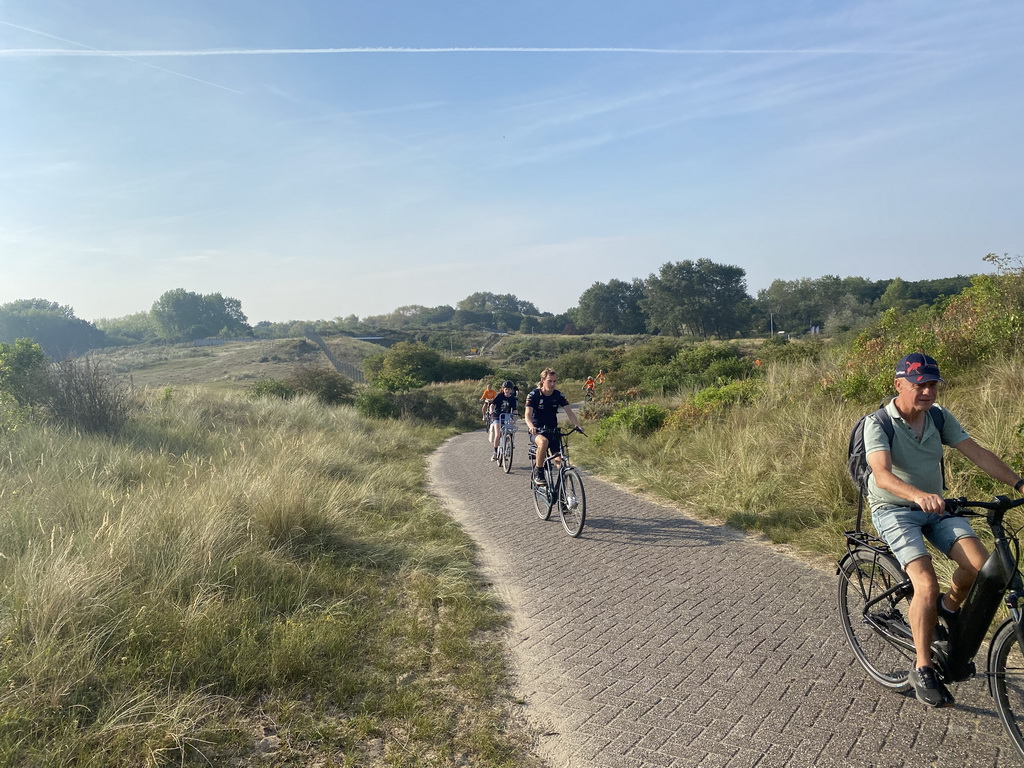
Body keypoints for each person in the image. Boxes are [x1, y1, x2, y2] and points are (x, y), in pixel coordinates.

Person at [865, 353, 1024, 708]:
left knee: (981, 568)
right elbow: (882, 474)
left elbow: (976, 452)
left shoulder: (937, 416)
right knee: (925, 582)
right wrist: (919, 495)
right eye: (919, 384)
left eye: (932, 384)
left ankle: (948, 608)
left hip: (937, 507)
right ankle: (923, 667)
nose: (926, 391)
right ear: (899, 385)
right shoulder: (878, 423)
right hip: (895, 509)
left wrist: (1018, 483)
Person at [524, 369, 584, 485]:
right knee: (543, 442)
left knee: (560, 462)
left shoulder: (558, 395)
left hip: (553, 431)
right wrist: (531, 426)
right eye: (549, 381)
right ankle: (539, 471)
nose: (552, 384)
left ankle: (563, 493)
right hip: (537, 431)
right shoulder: (534, 395)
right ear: (543, 381)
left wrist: (578, 425)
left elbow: (569, 412)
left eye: (555, 381)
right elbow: (527, 415)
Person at [488, 381, 519, 461]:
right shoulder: (499, 396)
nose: (507, 391)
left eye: (509, 389)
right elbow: (492, 404)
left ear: (511, 390)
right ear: (503, 389)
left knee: (510, 432)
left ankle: (507, 447)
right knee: (498, 434)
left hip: (507, 416)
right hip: (497, 416)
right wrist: (491, 410)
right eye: (506, 389)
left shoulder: (512, 399)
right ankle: (495, 453)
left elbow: (514, 409)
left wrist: (515, 414)